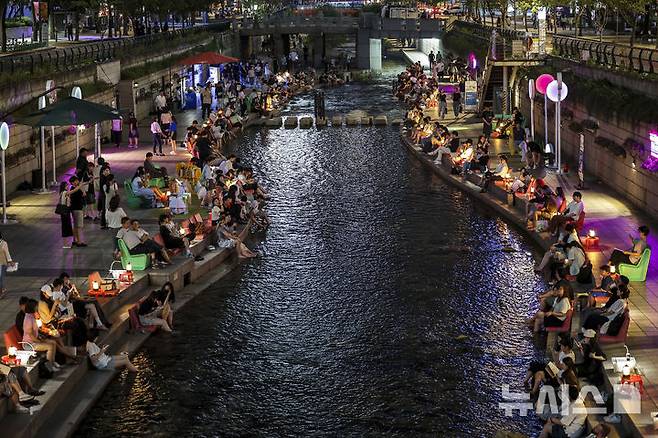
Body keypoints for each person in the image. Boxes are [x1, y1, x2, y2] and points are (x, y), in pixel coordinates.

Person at [67, 176, 89, 247]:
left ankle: (75, 240)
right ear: (73, 182)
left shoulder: (74, 189)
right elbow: (83, 195)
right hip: (77, 209)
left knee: (76, 226)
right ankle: (79, 242)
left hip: (75, 209)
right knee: (79, 226)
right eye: (76, 181)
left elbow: (84, 194)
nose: (77, 181)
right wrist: (81, 188)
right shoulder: (75, 189)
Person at [57, 182, 74, 249]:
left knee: (66, 227)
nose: (67, 186)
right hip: (65, 212)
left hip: (65, 212)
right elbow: (67, 203)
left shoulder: (63, 193)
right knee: (65, 227)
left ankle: (66, 243)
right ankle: (65, 244)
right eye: (66, 185)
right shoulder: (64, 193)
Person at [0, 232, 15, 298]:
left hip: (2, 263)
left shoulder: (3, 243)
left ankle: (2, 291)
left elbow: (7, 252)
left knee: (1, 277)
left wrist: (10, 261)